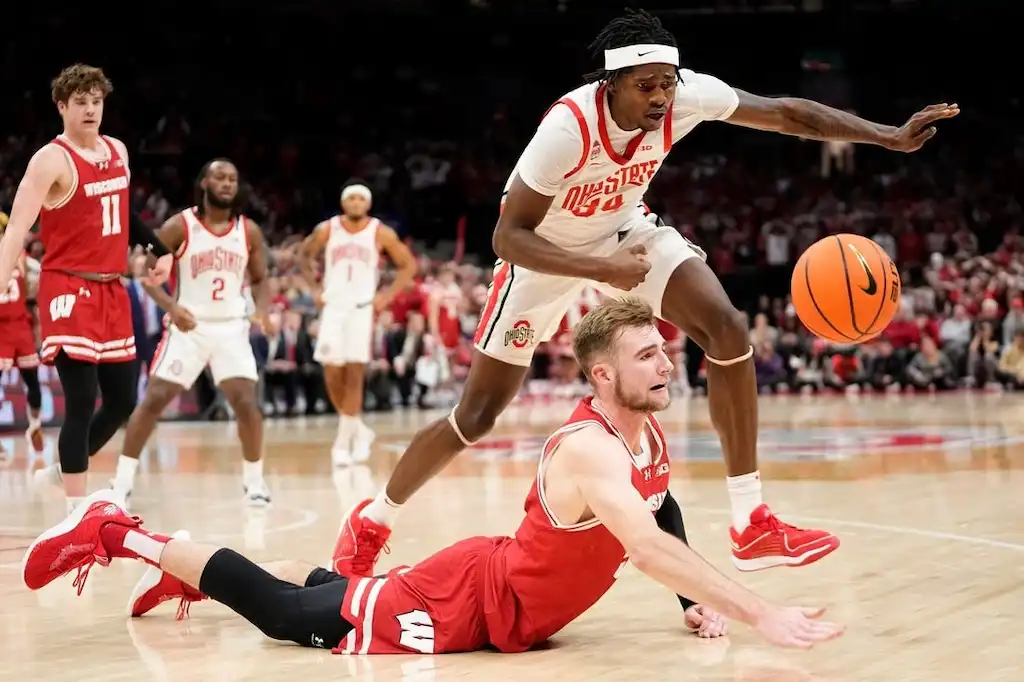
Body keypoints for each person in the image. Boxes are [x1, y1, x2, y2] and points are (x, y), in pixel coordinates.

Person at [332, 9, 959, 576]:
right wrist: (601, 269)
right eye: (646, 85)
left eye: (667, 82)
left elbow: (786, 112)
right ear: (611, 85)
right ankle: (374, 519)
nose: (661, 96)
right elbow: (507, 236)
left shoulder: (686, 96)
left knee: (728, 329)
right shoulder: (568, 128)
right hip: (543, 256)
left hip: (627, 231)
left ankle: (751, 521)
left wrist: (887, 136)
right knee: (476, 416)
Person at [22, 298, 844, 653]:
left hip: (500, 602)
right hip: (472, 603)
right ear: (599, 376)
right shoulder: (590, 447)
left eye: (663, 349)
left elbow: (662, 518)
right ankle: (119, 532)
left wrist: (697, 601)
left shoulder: (647, 434)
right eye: (645, 355)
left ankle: (191, 574)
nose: (666, 361)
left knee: (317, 590)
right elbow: (646, 546)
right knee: (287, 618)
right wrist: (756, 608)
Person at [0, 64, 173, 513]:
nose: (91, 110)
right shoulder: (50, 159)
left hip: (113, 289)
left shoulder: (116, 150)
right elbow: (17, 228)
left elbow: (123, 212)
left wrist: (158, 248)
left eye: (97, 101)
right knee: (80, 400)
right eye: (81, 102)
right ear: (62, 106)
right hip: (68, 287)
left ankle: (63, 472)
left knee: (122, 400)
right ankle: (76, 512)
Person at [109, 159, 272, 506]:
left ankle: (255, 483)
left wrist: (262, 311)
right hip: (189, 327)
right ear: (204, 183)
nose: (227, 183)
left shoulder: (249, 231)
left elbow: (260, 279)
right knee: (153, 400)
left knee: (247, 404)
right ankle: (120, 483)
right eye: (219, 177)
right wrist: (172, 307)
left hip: (231, 327)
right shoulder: (180, 225)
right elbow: (146, 272)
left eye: (232, 178)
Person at [299, 181, 416, 466]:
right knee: (331, 371)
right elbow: (304, 255)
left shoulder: (380, 231)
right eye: (350, 198)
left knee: (354, 371)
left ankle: (343, 441)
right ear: (343, 202)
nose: (354, 202)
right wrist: (314, 290)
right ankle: (358, 429)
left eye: (359, 198)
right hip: (333, 307)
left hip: (362, 308)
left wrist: (386, 297)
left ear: (368, 203)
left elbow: (408, 264)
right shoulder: (328, 229)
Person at [0, 233, 44, 452]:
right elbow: (39, 278)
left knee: (31, 380)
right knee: (32, 380)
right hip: (16, 325)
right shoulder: (21, 258)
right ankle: (34, 424)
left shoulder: (20, 257)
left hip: (10, 326)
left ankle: (34, 426)